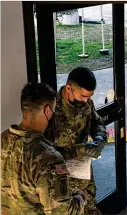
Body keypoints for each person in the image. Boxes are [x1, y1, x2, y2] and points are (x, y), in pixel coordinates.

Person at [1, 83, 86, 215]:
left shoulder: (2, 140)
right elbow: (63, 212)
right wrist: (81, 196)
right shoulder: (50, 158)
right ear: (47, 110)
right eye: (53, 110)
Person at [45, 67, 108, 215]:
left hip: (84, 174)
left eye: (89, 97)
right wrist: (79, 150)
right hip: (61, 179)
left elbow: (97, 123)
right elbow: (45, 153)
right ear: (68, 88)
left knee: (92, 209)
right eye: (83, 96)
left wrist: (99, 138)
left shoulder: (86, 104)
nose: (86, 101)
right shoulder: (50, 109)